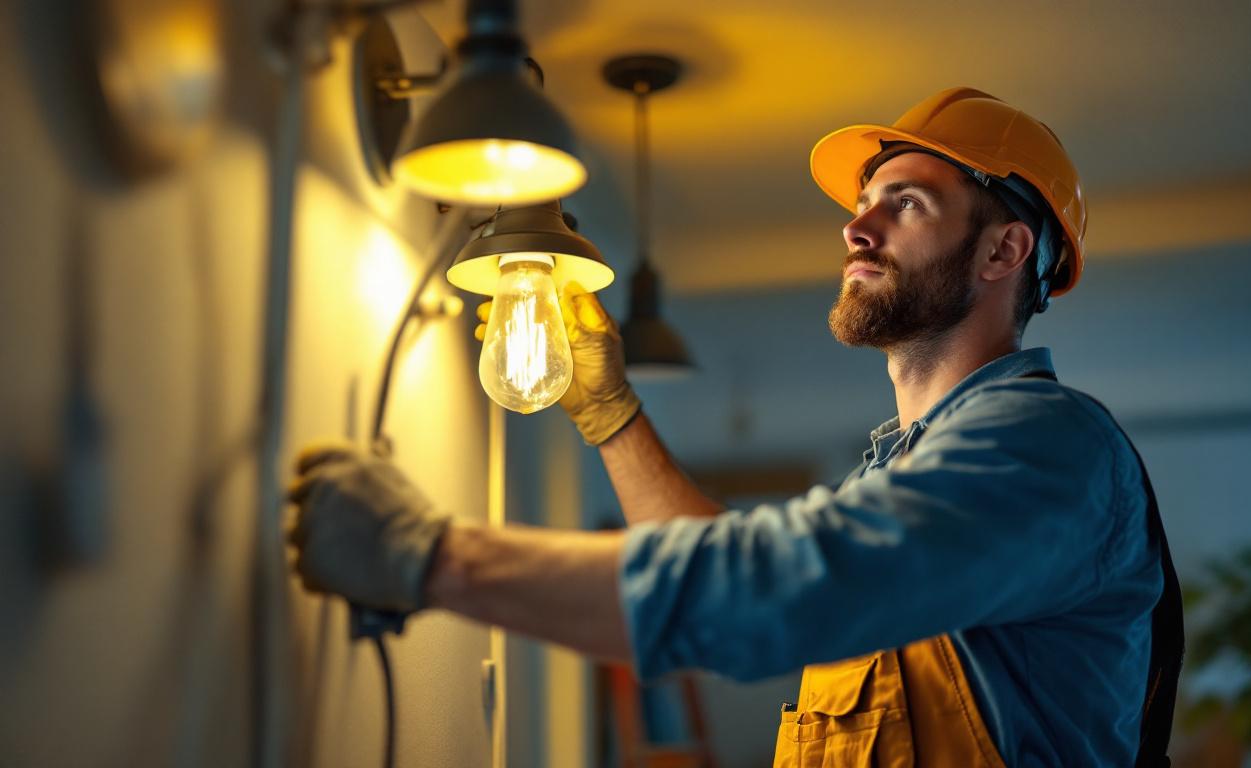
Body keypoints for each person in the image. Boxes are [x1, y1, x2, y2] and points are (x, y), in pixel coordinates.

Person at [288, 87, 1182, 766]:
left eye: (904, 202)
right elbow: (740, 568)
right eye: (864, 201)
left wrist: (428, 556)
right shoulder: (898, 475)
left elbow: (785, 590)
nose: (855, 227)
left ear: (1003, 251)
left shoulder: (1046, 448)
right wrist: (610, 414)